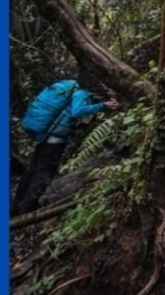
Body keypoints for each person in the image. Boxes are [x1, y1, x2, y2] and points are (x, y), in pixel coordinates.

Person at [14, 80, 119, 214]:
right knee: (43, 173)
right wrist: (102, 105)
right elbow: (77, 112)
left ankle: (16, 204)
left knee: (33, 170)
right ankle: (27, 207)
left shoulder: (70, 91)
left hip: (44, 136)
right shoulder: (81, 94)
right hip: (55, 140)